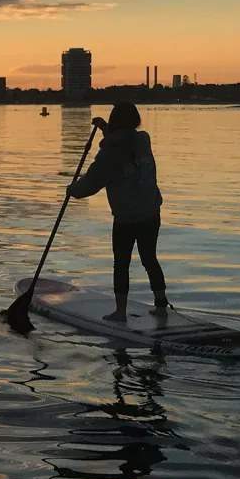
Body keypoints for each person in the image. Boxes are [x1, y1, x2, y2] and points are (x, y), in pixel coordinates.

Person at [68, 103, 167, 321]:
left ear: (115, 123)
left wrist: (72, 190)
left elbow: (90, 184)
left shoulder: (109, 155)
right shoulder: (143, 141)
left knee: (121, 262)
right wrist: (105, 128)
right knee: (150, 258)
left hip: (127, 217)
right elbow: (124, 140)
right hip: (151, 211)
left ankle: (120, 312)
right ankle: (161, 305)